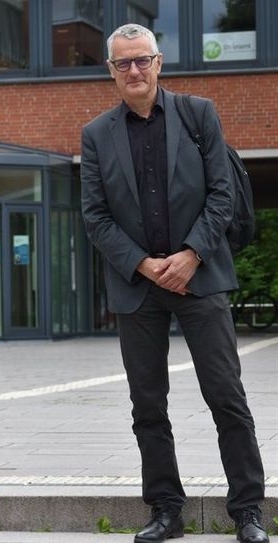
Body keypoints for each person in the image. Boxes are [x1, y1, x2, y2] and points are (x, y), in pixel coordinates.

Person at [81, 24, 269, 543]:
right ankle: (165, 509)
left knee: (226, 395)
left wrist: (190, 255)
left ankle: (248, 511)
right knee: (148, 404)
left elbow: (222, 193)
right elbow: (95, 216)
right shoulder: (97, 134)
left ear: (159, 62)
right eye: (124, 64)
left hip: (201, 277)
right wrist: (144, 264)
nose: (134, 71)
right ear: (112, 71)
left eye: (143, 60)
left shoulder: (198, 114)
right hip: (137, 286)